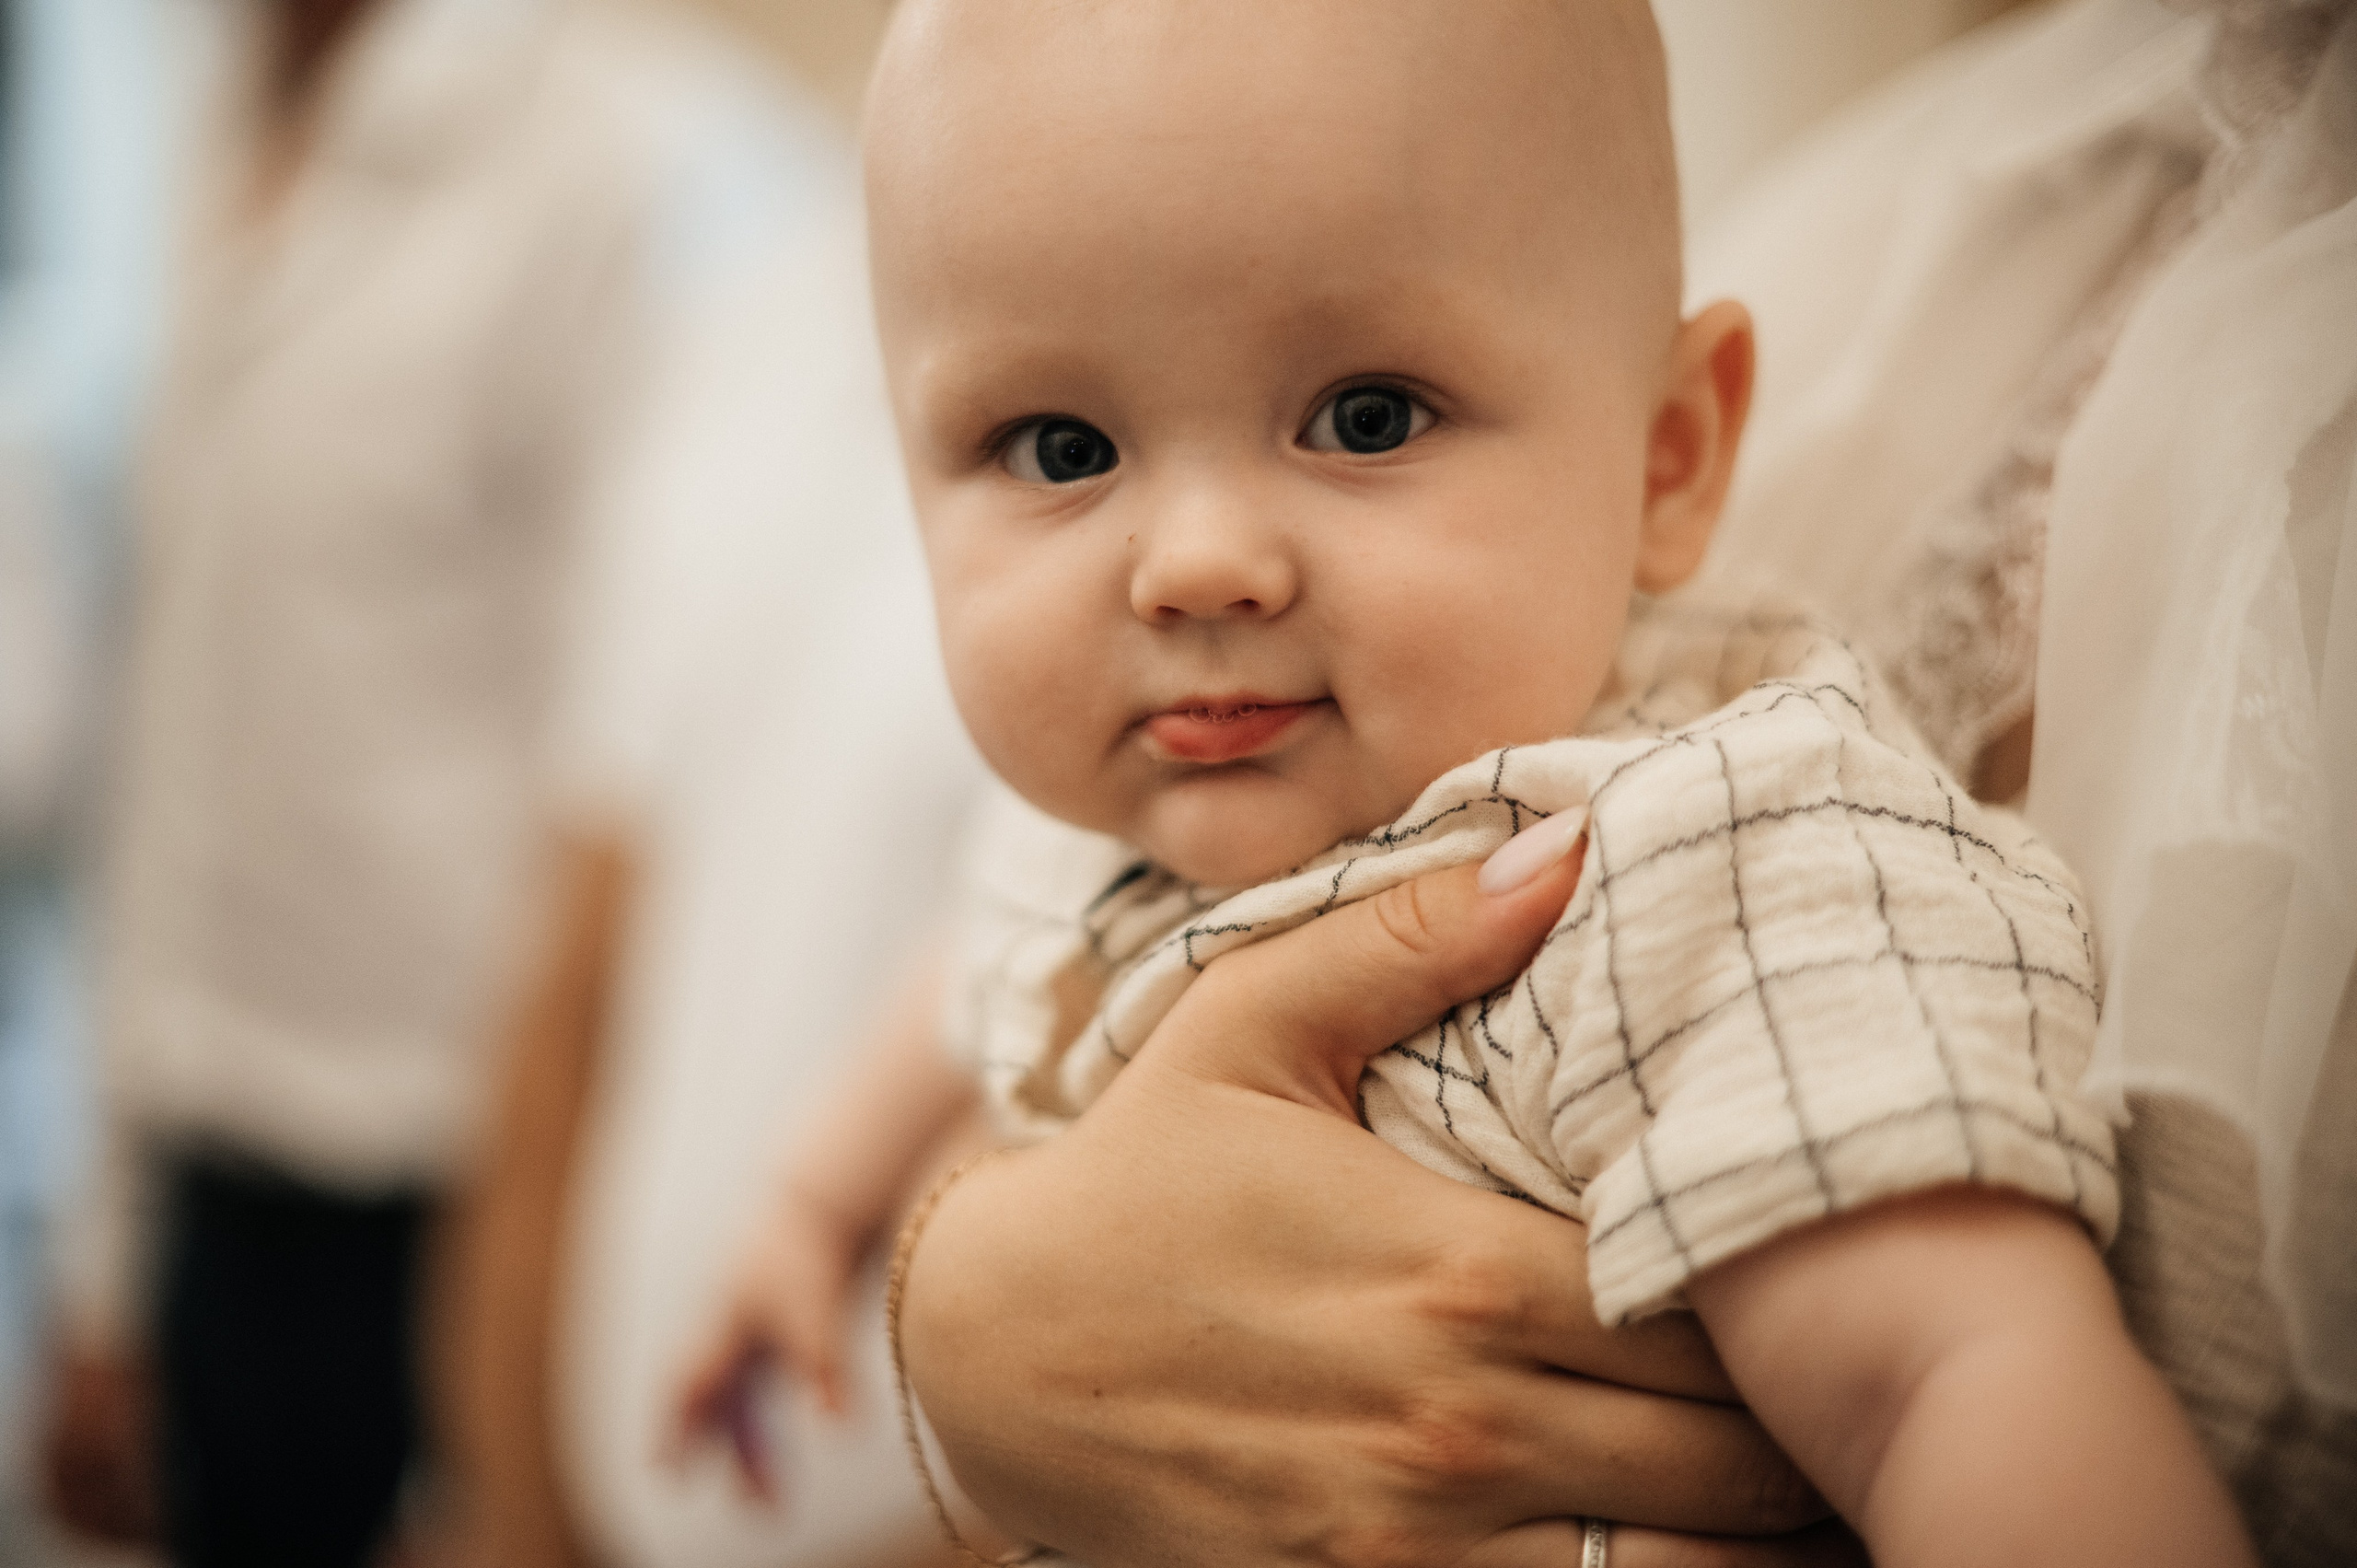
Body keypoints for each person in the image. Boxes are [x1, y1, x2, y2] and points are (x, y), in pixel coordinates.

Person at [679, 2, 2260, 1563]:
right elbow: (983, 944)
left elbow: (1955, 1380)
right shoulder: (1112, 799)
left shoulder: (1711, 860)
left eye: (1366, 419)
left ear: (1669, 458)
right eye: (1060, 447)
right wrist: (811, 1218)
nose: (1197, 564)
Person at [36, 0, 848, 1562]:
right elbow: (176, 740)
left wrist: (524, 1343)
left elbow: (628, 765)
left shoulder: (606, 156)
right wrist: (106, 1261)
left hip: (454, 1157)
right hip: (216, 1129)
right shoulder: (220, 111)